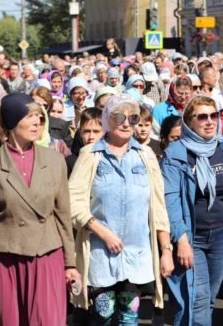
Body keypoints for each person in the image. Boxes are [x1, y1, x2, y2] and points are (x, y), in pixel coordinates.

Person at [0, 93, 80, 325]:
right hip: (5, 260)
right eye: (30, 116)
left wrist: (70, 264)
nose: (37, 122)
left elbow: (63, 217)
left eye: (39, 116)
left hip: (48, 256)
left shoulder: (55, 160)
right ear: (11, 121)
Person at [68, 94, 173, 325]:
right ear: (108, 119)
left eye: (133, 117)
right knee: (104, 314)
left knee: (129, 315)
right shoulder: (90, 155)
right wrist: (102, 232)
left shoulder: (145, 156)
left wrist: (166, 249)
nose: (126, 123)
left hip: (137, 253)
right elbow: (73, 202)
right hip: (100, 254)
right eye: (119, 116)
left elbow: (158, 207)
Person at [161, 96, 223, 326]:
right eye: (202, 117)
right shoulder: (176, 153)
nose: (209, 122)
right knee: (197, 298)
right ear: (188, 122)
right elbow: (171, 199)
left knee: (208, 299)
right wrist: (181, 239)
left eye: (213, 115)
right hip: (191, 237)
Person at [65, 107, 104, 175]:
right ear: (80, 133)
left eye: (96, 131)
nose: (91, 137)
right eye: (87, 131)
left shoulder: (110, 160)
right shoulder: (70, 162)